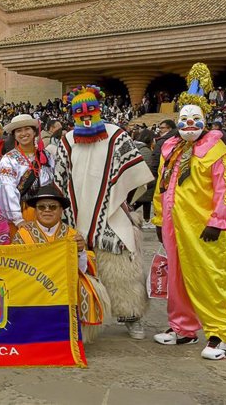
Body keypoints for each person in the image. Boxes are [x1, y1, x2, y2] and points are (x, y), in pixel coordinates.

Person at [152, 63, 226, 360]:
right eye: (184, 119)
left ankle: (220, 334)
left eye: (195, 119)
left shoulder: (216, 150)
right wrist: (157, 218)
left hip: (203, 226)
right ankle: (183, 328)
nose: (189, 124)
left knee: (209, 277)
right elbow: (162, 186)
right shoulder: (170, 149)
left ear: (205, 119)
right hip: (173, 224)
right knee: (176, 277)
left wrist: (218, 220)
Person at [55, 85, 154, 340]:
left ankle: (132, 315)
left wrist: (123, 201)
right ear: (72, 114)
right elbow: (60, 176)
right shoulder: (67, 140)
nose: (86, 116)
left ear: (99, 109)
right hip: (76, 213)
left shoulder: (116, 136)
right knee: (81, 268)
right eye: (79, 111)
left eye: (91, 110)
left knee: (121, 266)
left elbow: (135, 172)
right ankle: (84, 319)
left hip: (111, 212)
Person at [11, 184, 110, 343]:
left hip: (64, 282)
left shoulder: (72, 235)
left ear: (60, 211)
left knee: (85, 286)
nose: (47, 210)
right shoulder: (23, 235)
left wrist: (80, 251)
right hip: (30, 283)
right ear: (35, 211)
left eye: (52, 207)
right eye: (41, 207)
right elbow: (14, 267)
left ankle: (74, 333)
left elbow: (83, 269)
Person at [0, 114, 55, 230]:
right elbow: (8, 189)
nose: (23, 133)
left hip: (46, 210)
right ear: (14, 135)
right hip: (22, 211)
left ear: (34, 132)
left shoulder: (46, 156)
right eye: (19, 131)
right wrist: (18, 219)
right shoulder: (9, 159)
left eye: (27, 129)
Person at [133, 129, 156, 229]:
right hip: (145, 179)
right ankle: (144, 219)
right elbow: (148, 165)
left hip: (141, 180)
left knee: (144, 201)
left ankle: (146, 219)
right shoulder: (145, 150)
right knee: (142, 200)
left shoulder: (137, 146)